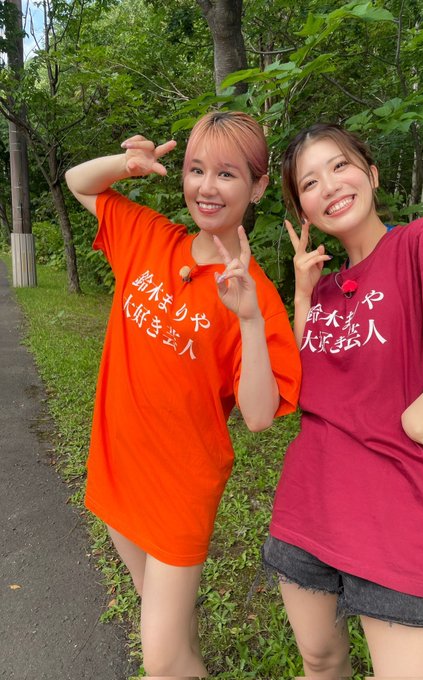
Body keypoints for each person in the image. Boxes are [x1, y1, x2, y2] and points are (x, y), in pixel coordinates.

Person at [262, 123, 423, 679]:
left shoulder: (420, 242)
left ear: (372, 175)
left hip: (400, 515)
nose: (329, 185)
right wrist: (303, 294)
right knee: (320, 661)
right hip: (309, 504)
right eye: (309, 182)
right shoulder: (327, 289)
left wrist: (421, 414)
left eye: (340, 166)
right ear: (302, 208)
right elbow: (307, 379)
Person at [65, 111, 301, 679]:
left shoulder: (257, 296)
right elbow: (78, 182)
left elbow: (259, 415)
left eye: (227, 173)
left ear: (258, 186)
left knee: (162, 661)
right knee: (159, 613)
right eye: (196, 170)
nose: (207, 187)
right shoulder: (148, 235)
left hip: (179, 486)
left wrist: (248, 320)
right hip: (118, 462)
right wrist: (127, 165)